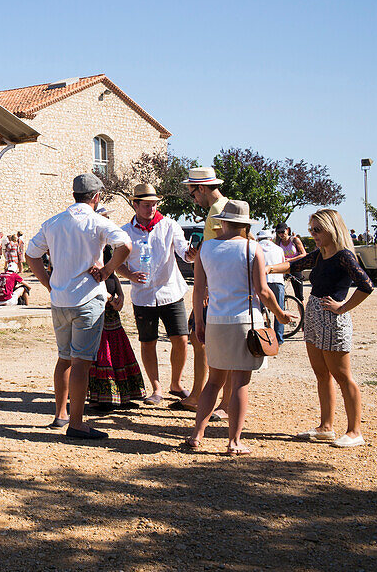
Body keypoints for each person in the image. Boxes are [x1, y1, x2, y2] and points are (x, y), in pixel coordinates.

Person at [25, 172, 132, 439]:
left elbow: (31, 255)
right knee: (81, 361)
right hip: (86, 298)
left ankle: (60, 414)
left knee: (64, 358)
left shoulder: (53, 222)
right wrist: (107, 271)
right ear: (96, 197)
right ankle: (76, 422)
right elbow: (125, 245)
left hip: (59, 298)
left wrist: (49, 284)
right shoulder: (96, 221)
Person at [184, 200, 295, 455]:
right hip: (245, 320)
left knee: (213, 382)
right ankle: (234, 441)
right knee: (240, 384)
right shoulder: (252, 248)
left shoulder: (206, 248)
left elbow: (199, 289)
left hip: (214, 320)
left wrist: (199, 322)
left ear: (222, 222)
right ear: (245, 224)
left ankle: (196, 435)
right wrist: (279, 313)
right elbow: (263, 291)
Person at [269, 208, 373, 448]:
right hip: (315, 317)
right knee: (321, 374)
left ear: (332, 229)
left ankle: (355, 431)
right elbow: (295, 265)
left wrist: (343, 307)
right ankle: (326, 427)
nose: (313, 234)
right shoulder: (320, 254)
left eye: (318, 230)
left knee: (342, 376)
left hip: (333, 320)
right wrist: (268, 269)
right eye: (311, 230)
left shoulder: (345, 256)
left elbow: (366, 285)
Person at [116, 183, 194, 405]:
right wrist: (129, 275)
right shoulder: (124, 232)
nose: (152, 208)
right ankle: (156, 388)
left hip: (171, 292)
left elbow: (183, 252)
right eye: (147, 205)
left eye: (154, 204)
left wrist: (191, 254)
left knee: (181, 338)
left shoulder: (169, 225)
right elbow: (117, 262)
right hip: (143, 296)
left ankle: (176, 384)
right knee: (148, 341)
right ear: (135, 204)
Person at [174, 166, 231, 416]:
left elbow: (223, 248)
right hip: (214, 285)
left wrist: (206, 285)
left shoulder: (218, 210)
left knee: (213, 344)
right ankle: (199, 394)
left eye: (192, 192)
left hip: (215, 287)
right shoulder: (220, 208)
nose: (193, 197)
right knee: (200, 341)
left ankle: (219, 401)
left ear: (202, 188)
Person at [87, 243, 146, 413]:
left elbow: (116, 286)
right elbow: (100, 292)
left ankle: (122, 396)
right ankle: (100, 399)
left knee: (118, 355)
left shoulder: (110, 271)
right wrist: (113, 299)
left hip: (114, 322)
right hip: (100, 321)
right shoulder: (92, 270)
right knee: (103, 357)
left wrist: (120, 297)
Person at [257, 229, 288, 344]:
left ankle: (259, 336)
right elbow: (283, 264)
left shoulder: (255, 247)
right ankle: (279, 339)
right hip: (277, 280)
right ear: (271, 238)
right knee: (279, 310)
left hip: (262, 281)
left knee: (258, 311)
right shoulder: (278, 249)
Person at [275, 223, 307, 302]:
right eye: (278, 232)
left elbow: (304, 254)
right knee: (279, 292)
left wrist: (290, 259)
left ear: (288, 230)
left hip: (296, 267)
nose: (281, 234)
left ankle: (302, 313)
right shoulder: (278, 242)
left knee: (299, 296)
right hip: (284, 267)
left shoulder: (294, 240)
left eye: (282, 231)